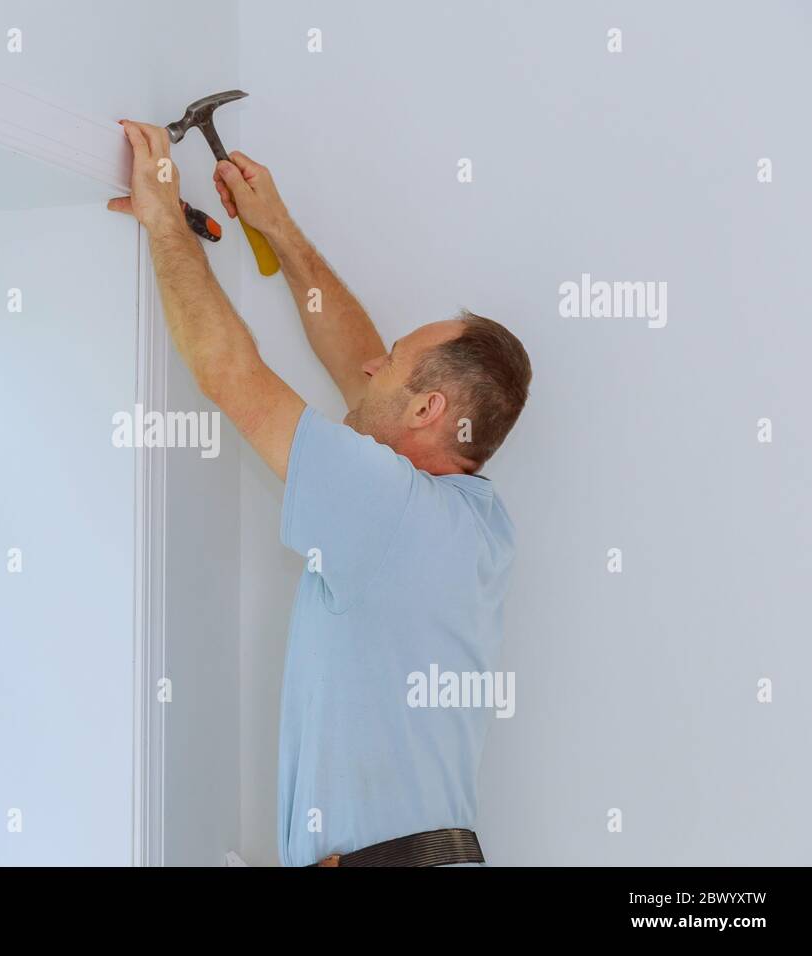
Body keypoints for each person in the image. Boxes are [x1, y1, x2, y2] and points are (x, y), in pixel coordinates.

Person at [108, 120, 531, 867]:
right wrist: (277, 228)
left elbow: (230, 376)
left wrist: (163, 222)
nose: (372, 369)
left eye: (395, 365)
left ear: (429, 412)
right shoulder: (476, 518)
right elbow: (356, 355)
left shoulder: (388, 509)